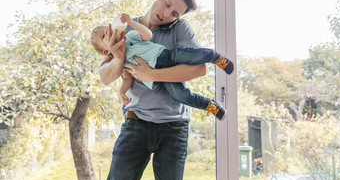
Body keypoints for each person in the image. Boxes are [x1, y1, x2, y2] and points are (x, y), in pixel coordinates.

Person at [97, 0, 231, 180]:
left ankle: (209, 101)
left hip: (174, 127)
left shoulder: (180, 28)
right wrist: (118, 57)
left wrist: (152, 75)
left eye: (175, 13)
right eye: (167, 4)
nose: (167, 14)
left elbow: (199, 69)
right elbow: (106, 77)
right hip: (136, 123)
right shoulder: (124, 29)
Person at [91, 13, 234, 120]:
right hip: (163, 79)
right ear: (106, 51)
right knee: (179, 95)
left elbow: (147, 34)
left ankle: (216, 57)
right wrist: (122, 92)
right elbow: (127, 79)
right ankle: (210, 105)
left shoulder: (130, 37)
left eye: (109, 28)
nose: (110, 32)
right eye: (105, 35)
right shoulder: (119, 63)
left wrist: (130, 23)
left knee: (190, 55)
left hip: (166, 56)